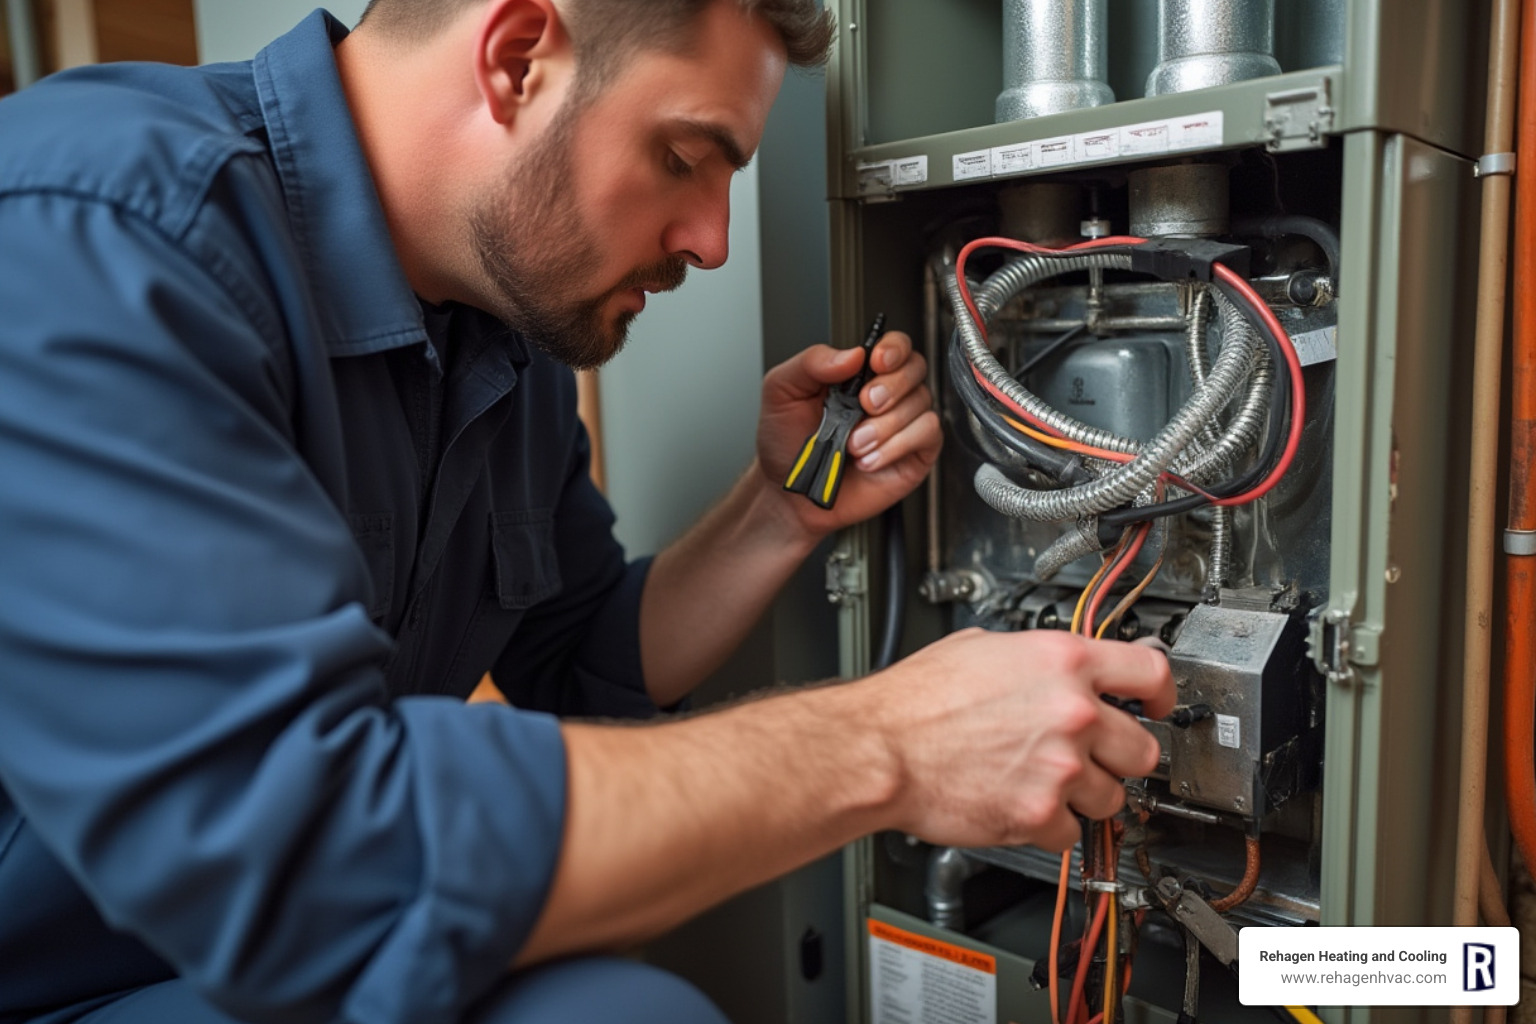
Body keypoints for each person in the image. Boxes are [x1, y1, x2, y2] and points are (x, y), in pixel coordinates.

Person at [0, 1, 1176, 1022]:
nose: (712, 242)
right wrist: (889, 743)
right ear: (517, 57)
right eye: (684, 156)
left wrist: (779, 511)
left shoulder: (503, 347)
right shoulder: (105, 232)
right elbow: (290, 841)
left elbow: (579, 658)